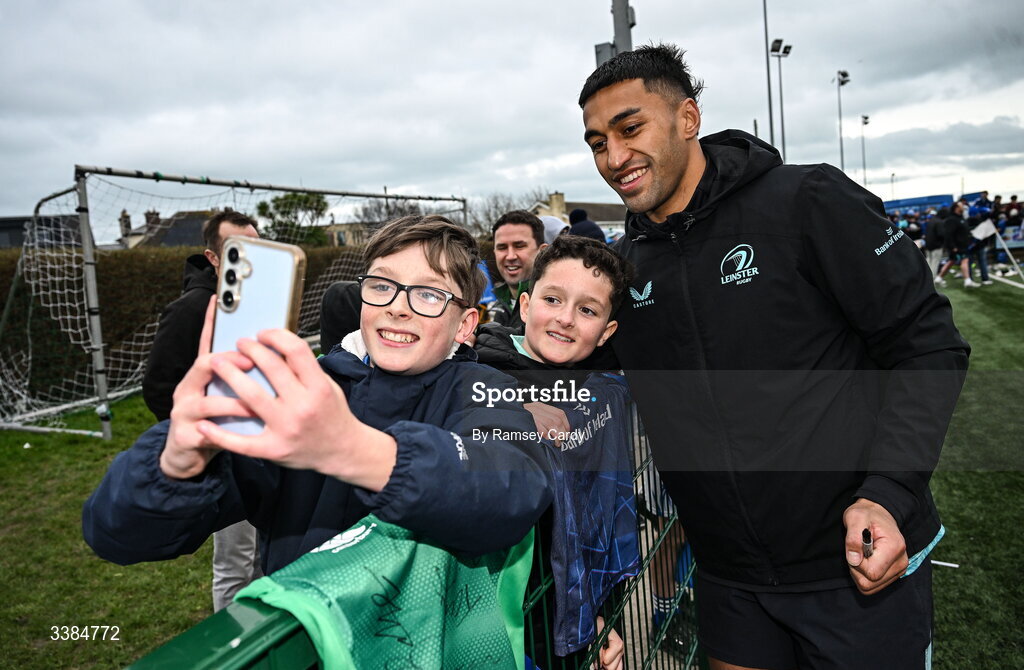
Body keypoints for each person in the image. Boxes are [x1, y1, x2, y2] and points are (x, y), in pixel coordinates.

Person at [578, 44, 969, 669]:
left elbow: (927, 343)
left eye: (630, 128)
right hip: (731, 582)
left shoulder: (806, 200)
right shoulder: (626, 266)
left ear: (687, 118)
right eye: (597, 142)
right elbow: (577, 375)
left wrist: (889, 492)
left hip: (853, 570)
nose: (614, 157)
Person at [84, 216, 554, 585]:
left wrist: (348, 448)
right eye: (382, 285)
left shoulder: (486, 392)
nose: (397, 305)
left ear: (466, 325)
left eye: (429, 294)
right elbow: (116, 536)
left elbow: (511, 492)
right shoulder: (299, 393)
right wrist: (177, 462)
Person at [476, 234, 630, 670]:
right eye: (552, 299)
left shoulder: (602, 393)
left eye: (587, 310)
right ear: (525, 306)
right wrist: (509, 409)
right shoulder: (470, 375)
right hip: (496, 619)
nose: (565, 319)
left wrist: (604, 616)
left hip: (567, 617)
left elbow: (601, 517)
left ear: (606, 332)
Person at [141, 209, 262, 612]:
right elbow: (158, 387)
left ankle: (267, 639)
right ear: (212, 257)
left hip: (266, 448)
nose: (250, 256)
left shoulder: (258, 301)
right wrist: (203, 441)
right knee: (235, 563)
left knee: (268, 552)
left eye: (256, 246)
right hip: (225, 455)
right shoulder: (191, 309)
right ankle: (230, 647)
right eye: (237, 249)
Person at [490, 210, 547, 328]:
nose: (510, 256)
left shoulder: (553, 308)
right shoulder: (498, 305)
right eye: (502, 247)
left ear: (542, 251)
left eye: (519, 246)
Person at [935, 201, 979, 288]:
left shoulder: (961, 218)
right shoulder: (951, 219)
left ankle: (938, 278)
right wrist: (953, 247)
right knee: (964, 260)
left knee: (951, 261)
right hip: (957, 246)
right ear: (956, 208)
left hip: (962, 245)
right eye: (961, 205)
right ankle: (967, 280)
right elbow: (948, 234)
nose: (963, 206)